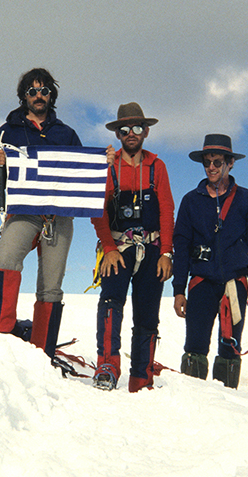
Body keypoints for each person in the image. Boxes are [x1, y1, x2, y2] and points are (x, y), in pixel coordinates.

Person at [0, 68, 82, 357]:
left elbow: (80, 175)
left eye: (44, 91)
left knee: (51, 286)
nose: (38, 96)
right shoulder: (7, 131)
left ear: (51, 95)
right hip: (24, 212)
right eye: (32, 91)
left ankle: (43, 352)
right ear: (23, 96)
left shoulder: (67, 133)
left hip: (59, 216)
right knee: (5, 260)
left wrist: (101, 164)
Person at [172, 134, 248, 388]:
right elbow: (180, 247)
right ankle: (193, 405)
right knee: (194, 348)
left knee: (230, 349)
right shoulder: (190, 201)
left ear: (230, 163)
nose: (211, 167)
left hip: (235, 285)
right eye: (207, 162)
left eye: (217, 161)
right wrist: (179, 290)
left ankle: (228, 408)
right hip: (201, 283)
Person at [90, 103, 175, 392]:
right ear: (117, 133)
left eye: (137, 128)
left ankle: (142, 376)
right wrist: (109, 248)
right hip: (119, 248)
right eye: (124, 129)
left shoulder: (157, 166)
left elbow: (166, 210)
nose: (130, 134)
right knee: (111, 303)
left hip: (152, 249)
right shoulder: (108, 167)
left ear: (146, 131)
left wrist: (166, 252)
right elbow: (97, 210)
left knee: (148, 313)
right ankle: (108, 366)